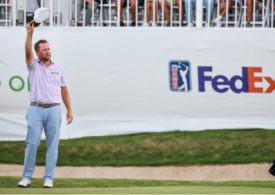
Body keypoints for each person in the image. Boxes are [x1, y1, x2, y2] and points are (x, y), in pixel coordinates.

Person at [17, 23, 73, 188]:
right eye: (44, 49)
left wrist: (69, 110)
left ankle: (49, 178)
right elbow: (27, 52)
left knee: (53, 145)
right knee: (32, 143)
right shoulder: (33, 65)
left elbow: (64, 91)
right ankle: (26, 178)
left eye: (49, 49)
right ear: (38, 52)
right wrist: (29, 35)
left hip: (54, 110)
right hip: (36, 109)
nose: (48, 51)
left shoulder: (59, 68)